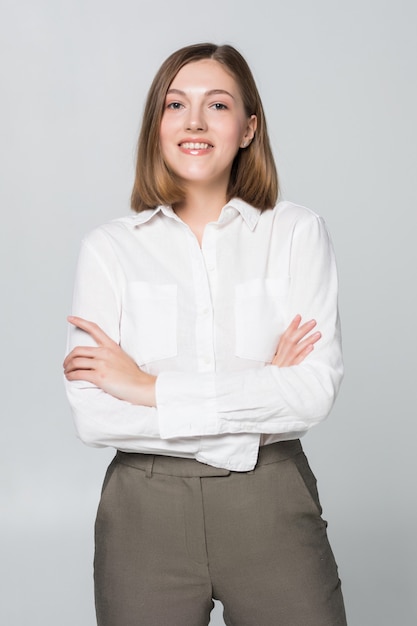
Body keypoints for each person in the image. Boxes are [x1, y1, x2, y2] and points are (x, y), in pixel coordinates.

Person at [63, 42, 347, 626]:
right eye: (175, 105)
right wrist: (264, 386)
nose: (193, 122)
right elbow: (95, 417)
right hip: (144, 508)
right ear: (157, 126)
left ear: (248, 127)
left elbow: (312, 394)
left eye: (217, 105)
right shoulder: (110, 249)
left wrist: (147, 387)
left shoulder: (295, 233)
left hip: (270, 496)